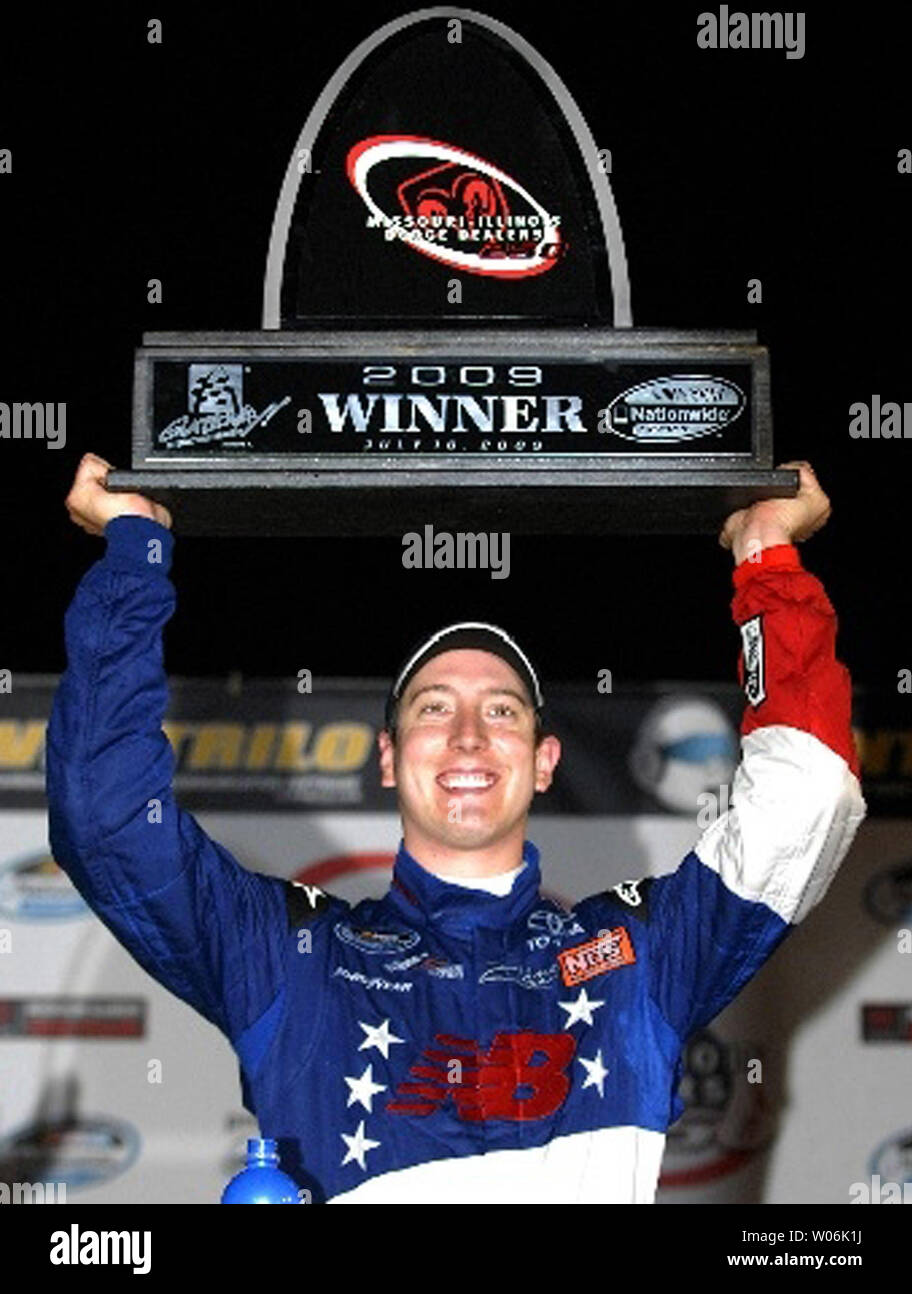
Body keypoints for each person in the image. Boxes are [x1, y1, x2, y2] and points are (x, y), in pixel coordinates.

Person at [46, 453, 866, 1204]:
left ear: (544, 761)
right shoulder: (291, 958)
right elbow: (106, 815)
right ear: (391, 759)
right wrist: (134, 556)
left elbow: (810, 796)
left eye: (500, 711)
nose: (469, 735)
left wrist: (767, 558)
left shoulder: (634, 957)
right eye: (435, 710)